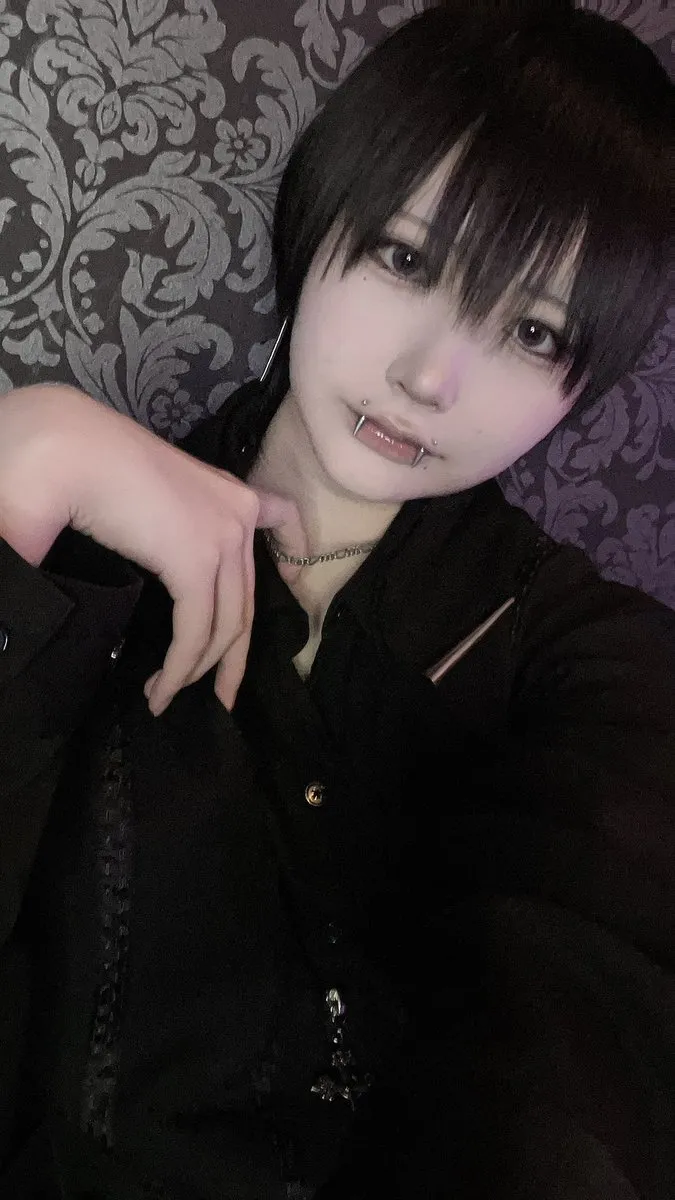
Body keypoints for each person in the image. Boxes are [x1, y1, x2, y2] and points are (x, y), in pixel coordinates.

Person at [0, 1, 673, 1196]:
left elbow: (578, 1051)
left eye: (533, 330)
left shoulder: (601, 666)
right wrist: (27, 462)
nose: (431, 378)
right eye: (407, 260)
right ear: (319, 221)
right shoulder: (79, 566)